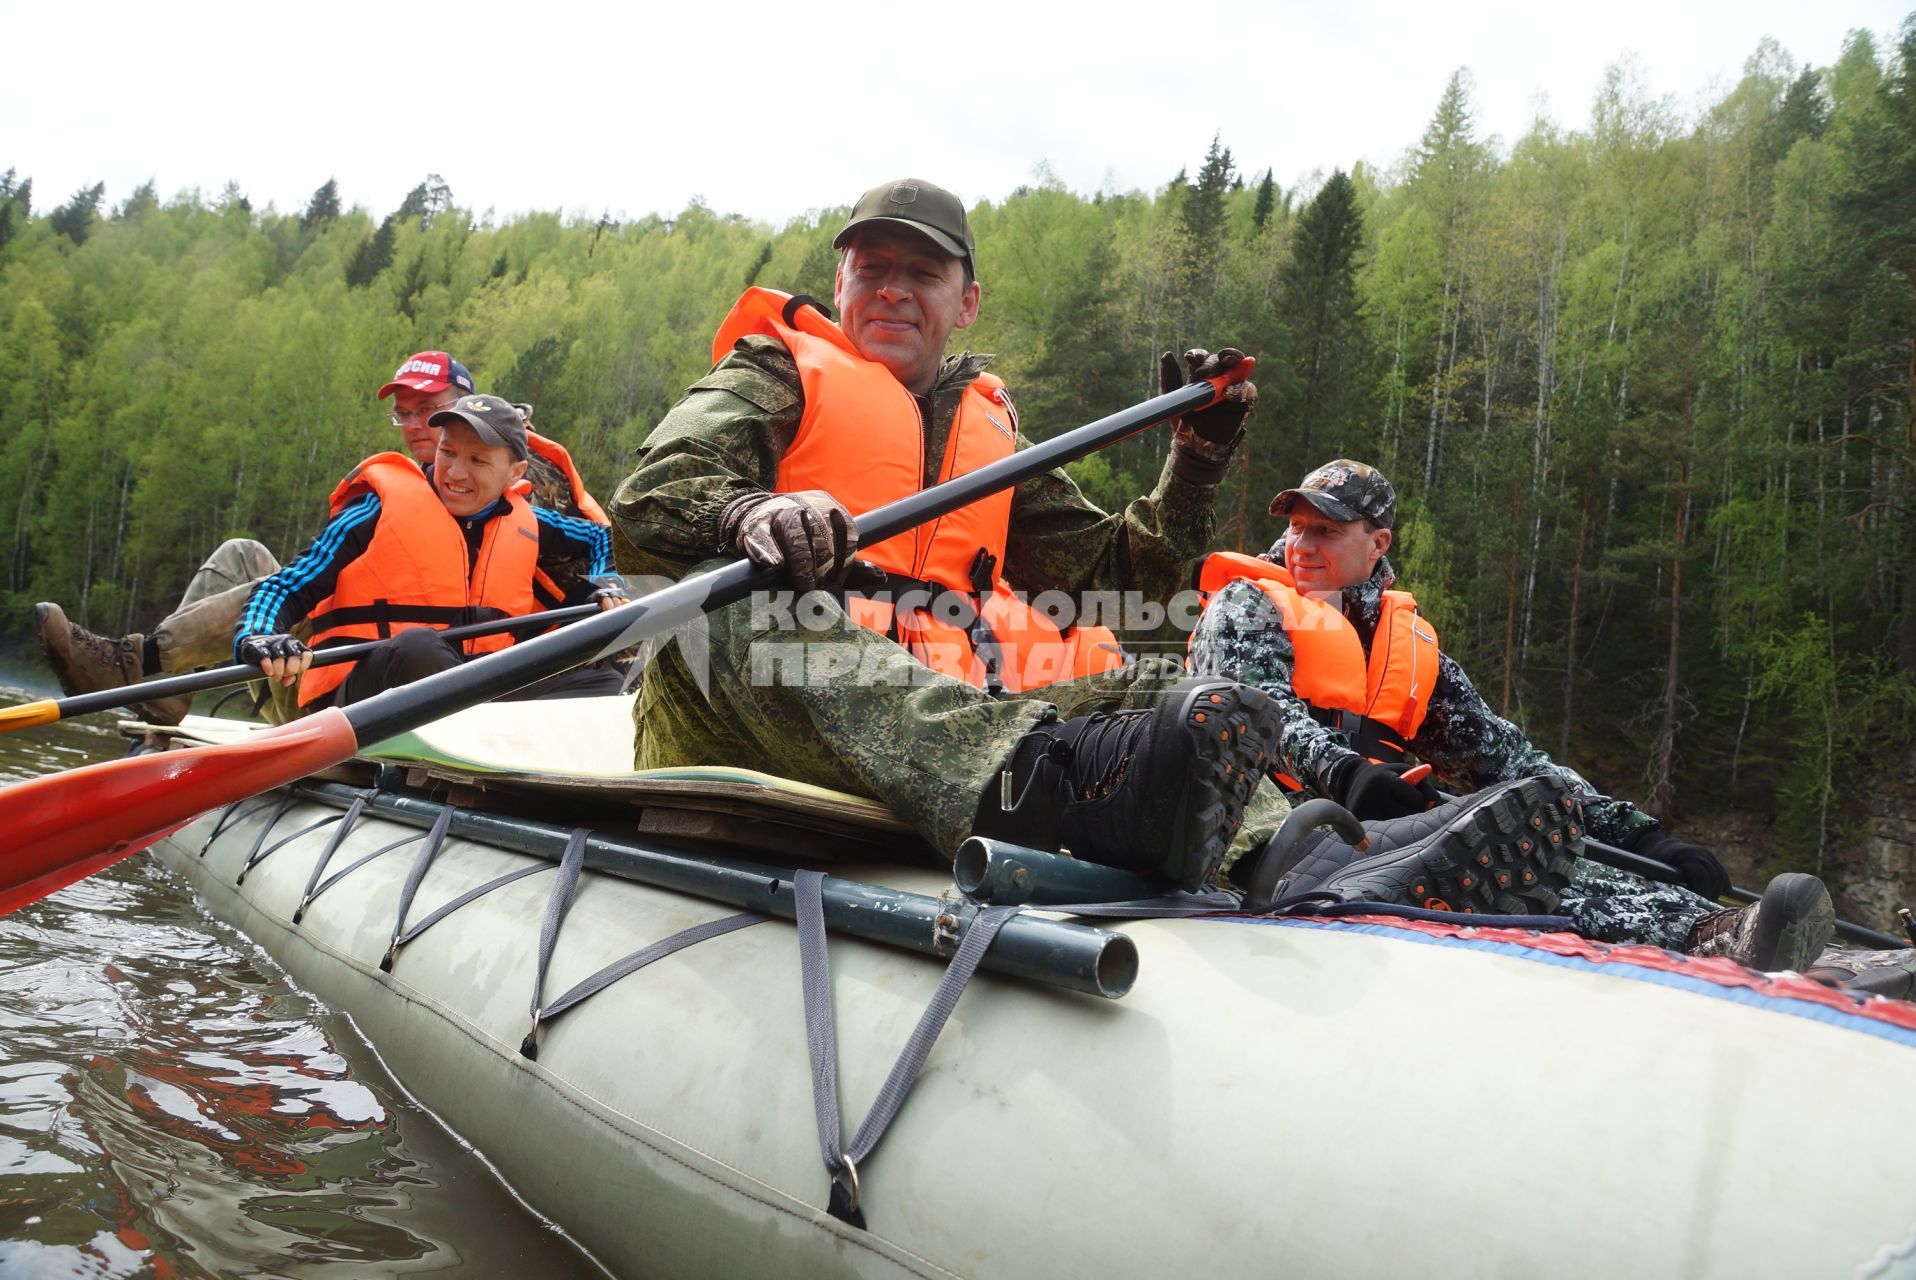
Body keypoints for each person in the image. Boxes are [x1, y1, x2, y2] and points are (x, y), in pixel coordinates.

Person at [608, 176, 1575, 894]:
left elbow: (1129, 582)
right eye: (874, 269)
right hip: (744, 704)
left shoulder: (984, 429)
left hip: (932, 722)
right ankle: (1052, 784)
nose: (894, 291)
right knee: (739, 613)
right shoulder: (774, 372)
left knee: (1171, 689)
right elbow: (650, 497)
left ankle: (1320, 857)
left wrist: (1194, 459)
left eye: (923, 273)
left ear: (966, 301)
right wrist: (752, 515)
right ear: (842, 280)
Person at [1189, 458, 1841, 971]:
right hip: (1267, 840)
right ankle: (1705, 937)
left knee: (1543, 820)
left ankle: (1726, 928)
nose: (1302, 542)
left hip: (1372, 839)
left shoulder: (1403, 644)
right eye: (1297, 525)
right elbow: (1257, 710)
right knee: (1509, 866)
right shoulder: (1248, 603)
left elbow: (1502, 756)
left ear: (1376, 541)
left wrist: (1640, 835)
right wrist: (1350, 774)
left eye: (1325, 530)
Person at [34, 351, 612, 722]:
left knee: (589, 674)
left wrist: (605, 584)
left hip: (478, 672)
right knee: (245, 557)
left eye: (427, 410)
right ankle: (153, 676)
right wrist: (260, 636)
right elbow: (293, 584)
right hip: (360, 678)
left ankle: (146, 670)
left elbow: (593, 543)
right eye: (408, 417)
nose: (415, 427)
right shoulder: (385, 500)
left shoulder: (529, 502)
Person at [235, 394, 626, 708]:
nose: (455, 473)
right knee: (417, 647)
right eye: (448, 452)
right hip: (366, 696)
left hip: (472, 687)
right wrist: (259, 635)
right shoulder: (377, 509)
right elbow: (284, 586)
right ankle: (484, 728)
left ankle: (482, 729)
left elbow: (603, 538)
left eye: (477, 460)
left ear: (515, 473)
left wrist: (607, 580)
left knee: (603, 679)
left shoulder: (530, 523)